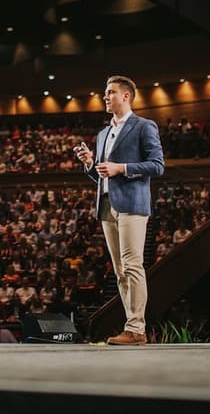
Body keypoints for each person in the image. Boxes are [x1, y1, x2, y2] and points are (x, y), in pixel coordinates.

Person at [75, 75, 164, 345]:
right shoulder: (103, 134)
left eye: (110, 92)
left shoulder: (143, 126)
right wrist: (91, 163)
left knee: (133, 265)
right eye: (105, 92)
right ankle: (132, 327)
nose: (105, 96)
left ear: (126, 96)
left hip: (132, 205)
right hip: (107, 206)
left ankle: (136, 328)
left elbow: (157, 165)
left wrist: (121, 168)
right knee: (120, 271)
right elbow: (103, 176)